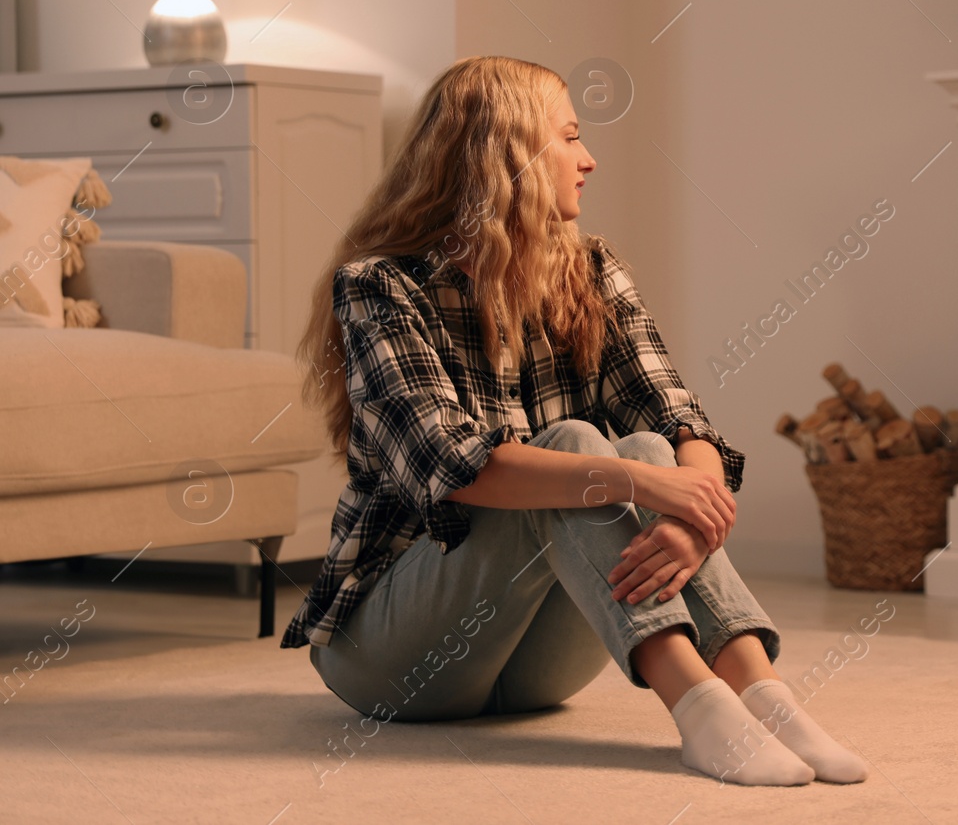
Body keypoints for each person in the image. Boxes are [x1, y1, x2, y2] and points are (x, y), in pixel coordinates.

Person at [282, 55, 867, 786]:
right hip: (396, 659)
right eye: (569, 137)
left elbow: (685, 424)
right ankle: (701, 711)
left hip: (532, 665)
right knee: (577, 450)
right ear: (509, 155)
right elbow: (455, 465)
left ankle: (769, 700)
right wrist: (646, 485)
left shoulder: (591, 268)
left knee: (653, 445)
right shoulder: (380, 286)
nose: (589, 159)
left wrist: (690, 516)